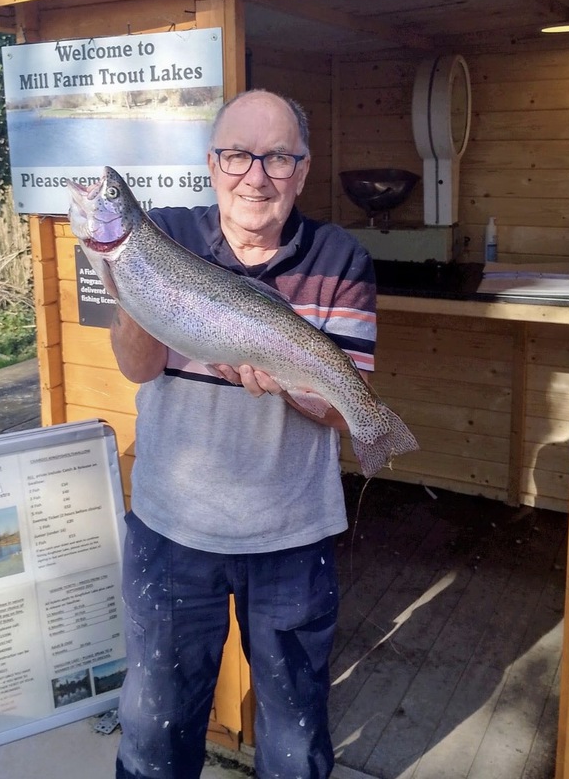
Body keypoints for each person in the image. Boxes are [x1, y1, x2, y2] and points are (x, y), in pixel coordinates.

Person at [110, 89, 378, 779]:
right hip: (172, 532)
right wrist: (136, 287)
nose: (256, 176)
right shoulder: (161, 236)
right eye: (237, 156)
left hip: (292, 535)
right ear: (212, 163)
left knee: (294, 741)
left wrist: (290, 381)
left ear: (303, 170)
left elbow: (344, 407)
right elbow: (138, 367)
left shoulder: (341, 257)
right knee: (155, 736)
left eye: (278, 157)